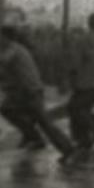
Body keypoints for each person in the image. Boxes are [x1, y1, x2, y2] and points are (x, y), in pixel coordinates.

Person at [0, 25, 77, 159]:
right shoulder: (13, 49)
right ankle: (34, 137)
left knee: (44, 122)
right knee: (8, 109)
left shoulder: (13, 49)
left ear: (6, 37)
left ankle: (67, 148)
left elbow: (3, 61)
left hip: (30, 91)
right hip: (21, 92)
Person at [66, 12, 94, 149]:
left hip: (87, 82)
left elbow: (75, 62)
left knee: (76, 108)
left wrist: (71, 77)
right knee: (80, 108)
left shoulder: (84, 39)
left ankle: (92, 130)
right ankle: (84, 137)